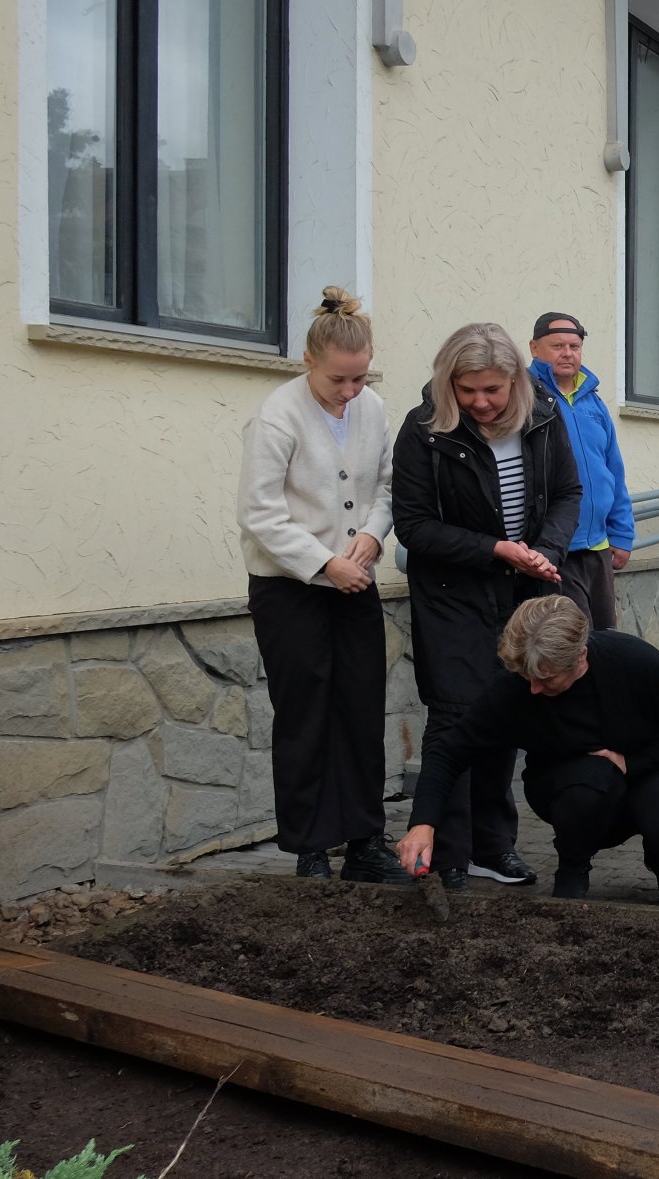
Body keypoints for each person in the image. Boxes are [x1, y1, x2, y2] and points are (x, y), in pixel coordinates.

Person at [391, 322, 581, 890]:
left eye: (492, 390)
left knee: (507, 710)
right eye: (467, 390)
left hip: (522, 590)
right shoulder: (423, 429)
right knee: (455, 714)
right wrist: (495, 549)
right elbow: (413, 526)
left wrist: (546, 551)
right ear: (448, 382)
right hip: (451, 593)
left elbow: (567, 494)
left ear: (516, 381)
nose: (480, 402)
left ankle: (493, 848)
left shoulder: (544, 416)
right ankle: (447, 851)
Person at [239, 287, 407, 884]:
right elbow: (259, 514)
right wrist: (323, 563)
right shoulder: (276, 416)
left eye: (360, 378)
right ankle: (310, 847)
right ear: (309, 360)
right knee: (305, 713)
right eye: (339, 379)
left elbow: (389, 485)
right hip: (289, 588)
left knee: (361, 708)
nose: (350, 391)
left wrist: (374, 537)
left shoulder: (373, 408)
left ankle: (365, 842)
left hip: (355, 582)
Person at [396, 596, 659, 903]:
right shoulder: (514, 686)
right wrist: (423, 824)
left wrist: (632, 761)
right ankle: (573, 866)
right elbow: (448, 753)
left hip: (651, 767)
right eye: (527, 677)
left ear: (581, 658)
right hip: (575, 783)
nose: (534, 688)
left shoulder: (630, 658)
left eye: (546, 679)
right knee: (587, 787)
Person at [528, 312, 635, 630]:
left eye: (574, 346)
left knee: (605, 637)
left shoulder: (594, 402)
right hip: (557, 550)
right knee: (572, 641)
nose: (567, 353)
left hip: (599, 547)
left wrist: (622, 533)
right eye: (557, 346)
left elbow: (613, 471)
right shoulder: (526, 399)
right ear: (534, 348)